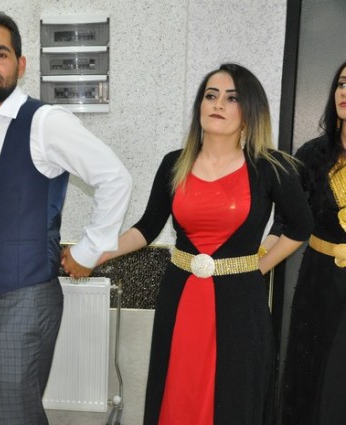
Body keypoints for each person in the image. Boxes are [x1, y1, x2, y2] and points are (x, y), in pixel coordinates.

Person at [0, 10, 132, 425]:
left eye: (0, 54)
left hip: (27, 298)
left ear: (21, 63)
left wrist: (88, 251)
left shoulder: (45, 123)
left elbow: (114, 178)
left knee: (17, 417)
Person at [99, 63, 313, 425]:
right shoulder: (174, 163)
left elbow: (301, 225)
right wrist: (95, 253)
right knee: (177, 391)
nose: (218, 104)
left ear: (250, 111)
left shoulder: (270, 168)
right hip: (180, 297)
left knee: (233, 398)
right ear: (200, 105)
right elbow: (147, 228)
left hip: (240, 304)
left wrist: (258, 266)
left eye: (232, 98)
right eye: (211, 95)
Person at [278, 61, 346, 425]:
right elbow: (287, 218)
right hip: (319, 281)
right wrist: (261, 257)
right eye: (342, 84)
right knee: (312, 373)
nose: (345, 92)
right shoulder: (311, 154)